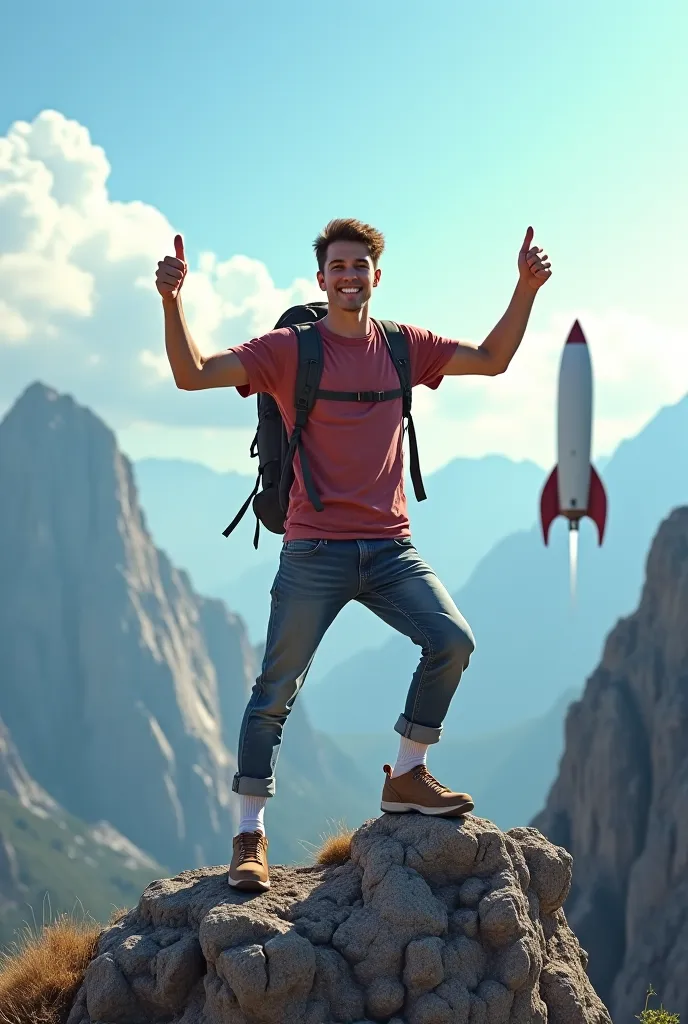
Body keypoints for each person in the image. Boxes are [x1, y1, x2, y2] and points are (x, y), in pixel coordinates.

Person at [156, 218, 552, 891]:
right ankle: (249, 833)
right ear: (321, 279)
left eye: (359, 266)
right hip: (313, 549)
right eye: (337, 267)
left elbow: (492, 359)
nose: (348, 277)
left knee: (452, 641)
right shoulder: (287, 350)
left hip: (391, 546)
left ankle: (405, 775)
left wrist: (526, 288)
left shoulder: (403, 347)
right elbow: (192, 376)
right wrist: (173, 302)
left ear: (376, 275)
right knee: (274, 693)